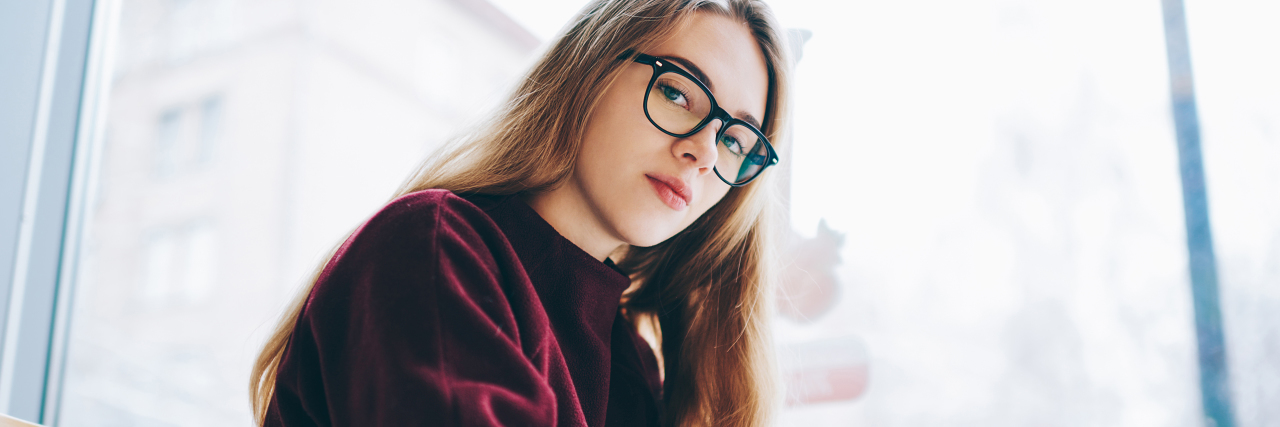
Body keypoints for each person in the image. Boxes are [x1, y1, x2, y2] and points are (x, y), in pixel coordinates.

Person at [248, 0, 792, 425]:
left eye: (739, 141)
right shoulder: (432, 248)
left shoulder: (630, 364)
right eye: (678, 92)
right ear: (589, 70)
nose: (705, 152)